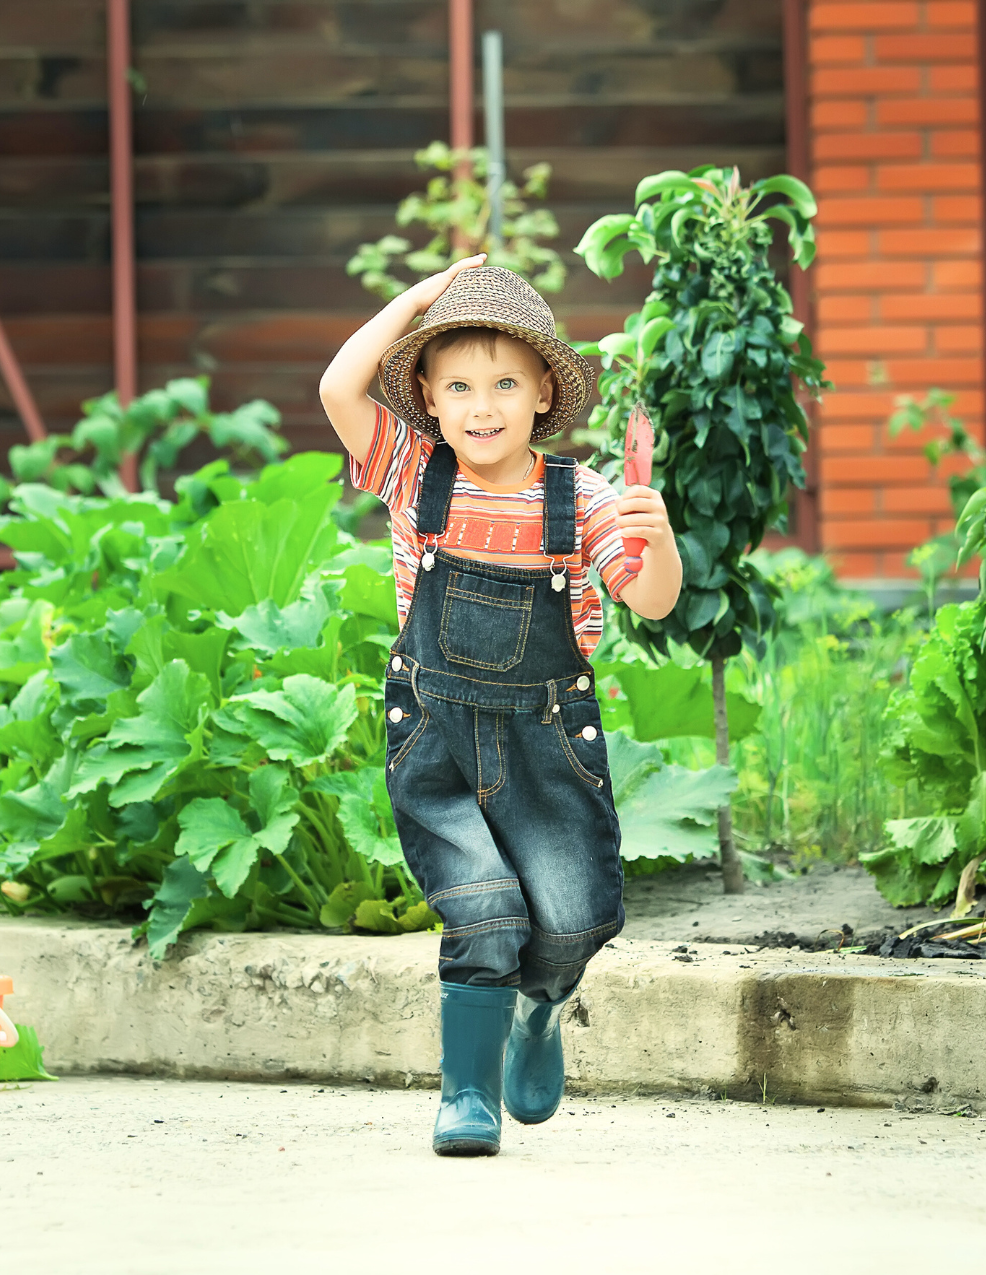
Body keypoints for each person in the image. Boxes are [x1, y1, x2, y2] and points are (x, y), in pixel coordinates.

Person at [318, 257, 682, 1156]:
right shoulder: (414, 475)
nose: (483, 406)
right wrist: (419, 301)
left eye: (506, 383)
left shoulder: (583, 496)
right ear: (430, 403)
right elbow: (336, 386)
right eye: (459, 386)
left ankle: (541, 1007)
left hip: (546, 742)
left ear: (544, 393)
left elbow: (652, 600)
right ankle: (466, 1095)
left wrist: (657, 539)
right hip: (438, 739)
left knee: (569, 921)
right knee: (481, 908)